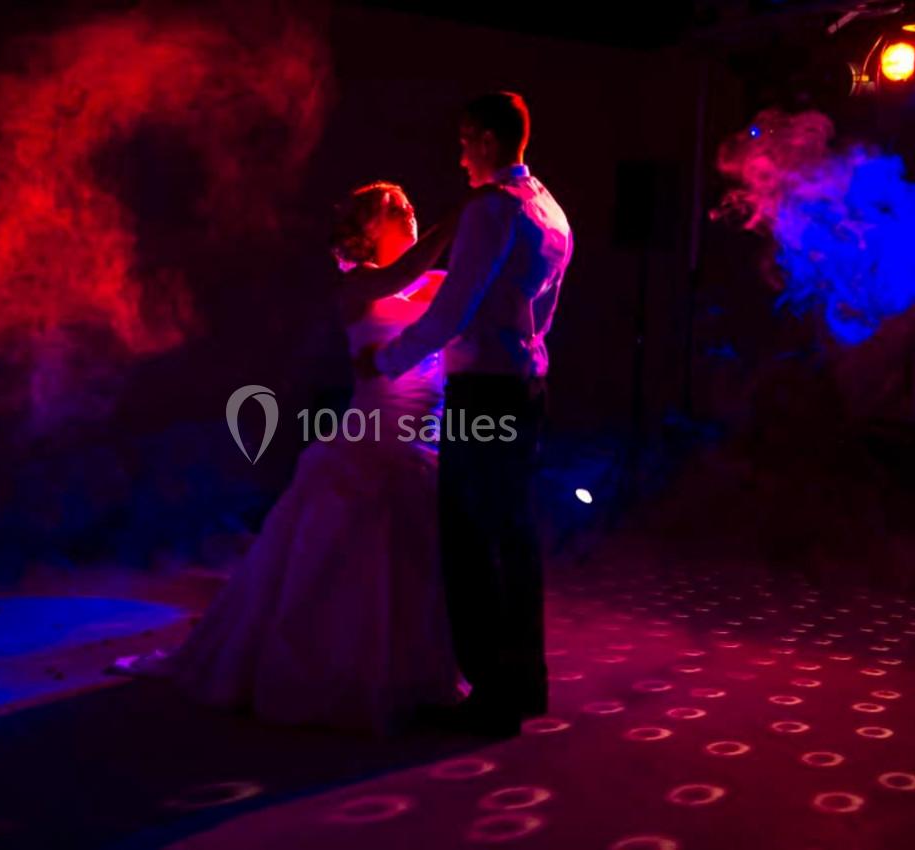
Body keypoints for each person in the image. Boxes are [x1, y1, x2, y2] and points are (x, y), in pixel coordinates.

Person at [115, 182, 475, 732]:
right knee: (346, 557)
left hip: (423, 436)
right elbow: (401, 276)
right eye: (395, 208)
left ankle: (410, 675)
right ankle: (329, 674)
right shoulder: (358, 284)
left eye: (409, 204)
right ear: (368, 228)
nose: (409, 211)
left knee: (412, 562)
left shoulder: (429, 283)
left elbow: (467, 288)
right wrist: (459, 216)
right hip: (372, 435)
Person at [359, 92, 573, 737]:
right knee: (514, 535)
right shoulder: (551, 208)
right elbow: (540, 310)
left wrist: (386, 360)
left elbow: (454, 311)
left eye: (462, 143)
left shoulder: (491, 209)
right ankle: (524, 682)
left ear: (484, 139)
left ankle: (490, 694)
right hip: (527, 384)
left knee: (471, 538)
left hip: (483, 389)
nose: (458, 158)